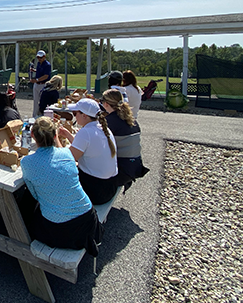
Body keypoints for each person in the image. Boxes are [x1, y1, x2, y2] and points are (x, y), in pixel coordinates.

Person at [20, 117, 98, 255]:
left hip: (59, 228)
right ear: (55, 135)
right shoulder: (67, 153)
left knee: (30, 211)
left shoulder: (27, 162)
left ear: (32, 135)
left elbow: (35, 195)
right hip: (87, 219)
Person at [58, 98, 118, 205]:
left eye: (75, 113)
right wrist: (67, 134)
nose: (74, 116)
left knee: (59, 174)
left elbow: (66, 159)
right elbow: (84, 147)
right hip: (110, 186)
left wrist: (55, 139)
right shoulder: (103, 129)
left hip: (95, 191)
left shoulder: (85, 132)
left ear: (84, 115)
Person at [101, 89, 149, 191]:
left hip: (121, 170)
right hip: (134, 166)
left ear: (105, 104)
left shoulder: (109, 122)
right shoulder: (130, 119)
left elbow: (97, 145)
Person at [31, 50, 52, 117]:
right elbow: (40, 71)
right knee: (35, 101)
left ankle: (41, 115)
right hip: (37, 84)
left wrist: (36, 80)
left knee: (42, 101)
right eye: (38, 57)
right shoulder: (39, 64)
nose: (39, 59)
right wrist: (34, 70)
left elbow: (46, 76)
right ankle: (35, 115)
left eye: (40, 57)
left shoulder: (47, 65)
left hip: (43, 84)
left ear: (44, 57)